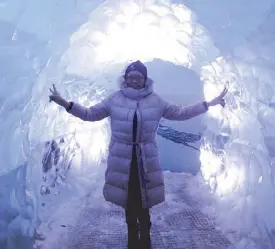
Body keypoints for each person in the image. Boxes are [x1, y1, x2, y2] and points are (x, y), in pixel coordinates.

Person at [49, 60, 227, 249]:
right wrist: (66, 104)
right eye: (131, 77)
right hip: (121, 158)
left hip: (145, 158)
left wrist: (208, 104)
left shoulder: (155, 100)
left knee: (144, 201)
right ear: (125, 79)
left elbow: (180, 112)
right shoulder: (114, 99)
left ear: (145, 79)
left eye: (138, 77)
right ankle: (133, 239)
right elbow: (90, 114)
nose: (134, 80)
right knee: (128, 201)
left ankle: (146, 237)